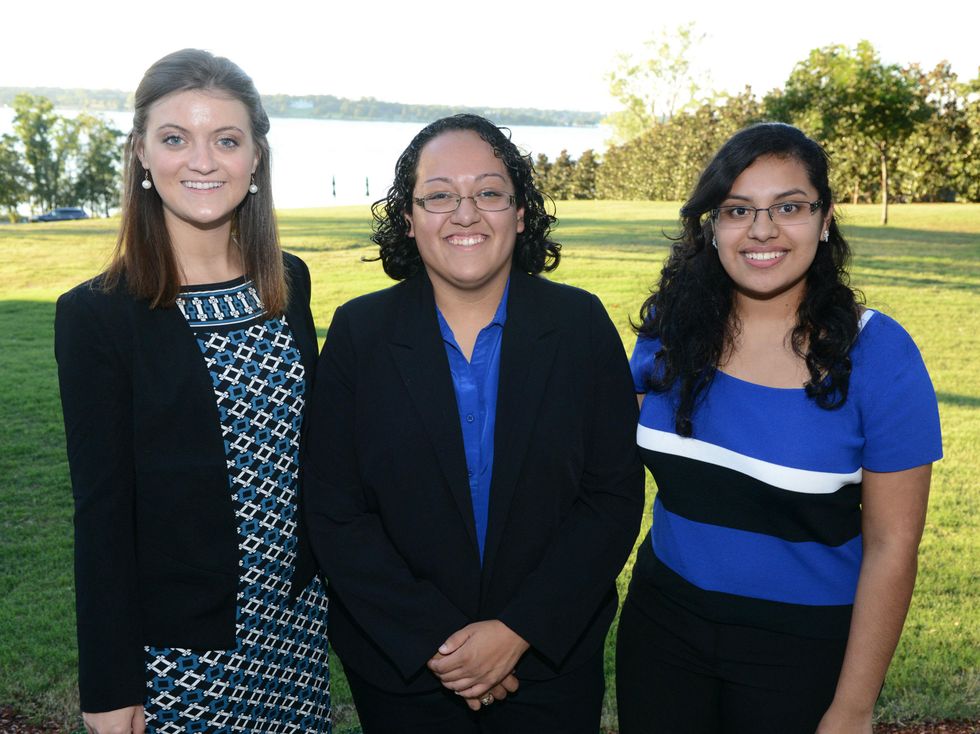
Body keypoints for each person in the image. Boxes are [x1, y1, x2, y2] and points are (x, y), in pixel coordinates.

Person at [302, 114, 644, 734]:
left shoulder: (580, 326)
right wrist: (436, 640)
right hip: (404, 672)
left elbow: (612, 496)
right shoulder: (360, 333)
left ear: (519, 213)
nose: (465, 214)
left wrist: (518, 630)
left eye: (489, 192)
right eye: (439, 195)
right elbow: (334, 509)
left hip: (547, 665)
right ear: (408, 217)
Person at [615, 122, 943, 733]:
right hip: (661, 629)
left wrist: (853, 707)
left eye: (788, 207)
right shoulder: (670, 328)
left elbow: (893, 548)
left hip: (800, 651)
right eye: (739, 209)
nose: (762, 230)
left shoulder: (878, 355)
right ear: (712, 224)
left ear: (824, 219)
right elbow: (593, 465)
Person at [55, 49, 329, 734]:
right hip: (181, 654)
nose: (201, 161)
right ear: (142, 153)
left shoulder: (287, 285)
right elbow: (102, 516)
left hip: (295, 632)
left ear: (256, 157)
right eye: (175, 138)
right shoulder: (98, 315)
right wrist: (111, 689)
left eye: (226, 139)